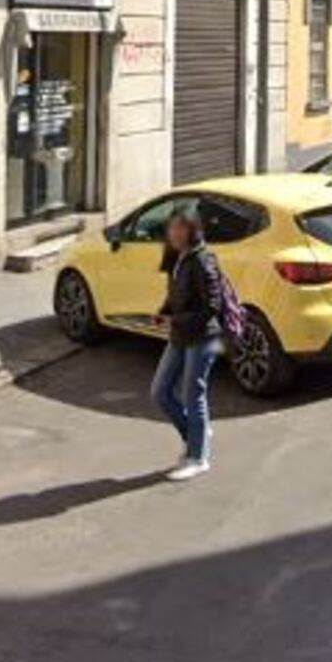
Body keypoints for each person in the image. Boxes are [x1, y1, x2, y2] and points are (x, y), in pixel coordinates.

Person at [151, 206, 224, 482]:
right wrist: (164, 312)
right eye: (172, 227)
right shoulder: (176, 257)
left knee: (193, 394)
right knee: (160, 391)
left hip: (203, 336)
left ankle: (198, 458)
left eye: (181, 227)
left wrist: (177, 319)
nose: (175, 233)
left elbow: (213, 306)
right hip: (181, 334)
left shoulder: (203, 260)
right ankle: (196, 434)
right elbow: (175, 295)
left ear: (194, 229)